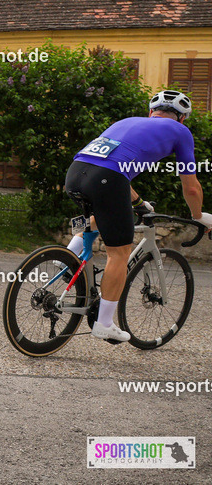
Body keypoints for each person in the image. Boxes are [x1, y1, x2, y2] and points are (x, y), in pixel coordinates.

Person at [64, 89, 212, 342]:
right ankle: (105, 323)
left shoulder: (125, 122)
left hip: (76, 173)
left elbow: (113, 167)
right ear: (182, 118)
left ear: (150, 112)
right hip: (107, 179)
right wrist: (198, 215)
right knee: (119, 253)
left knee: (104, 210)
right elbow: (191, 186)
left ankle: (65, 257)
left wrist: (140, 203)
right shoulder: (180, 132)